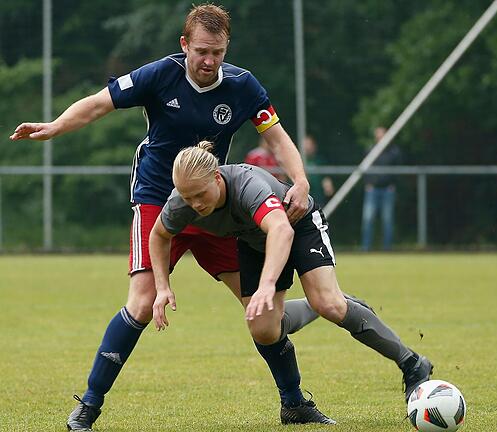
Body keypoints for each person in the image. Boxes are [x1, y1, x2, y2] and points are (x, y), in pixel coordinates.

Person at [9, 5, 327, 429]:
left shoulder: (243, 85)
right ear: (184, 46)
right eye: (201, 52)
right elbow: (98, 105)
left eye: (217, 52)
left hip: (215, 207)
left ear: (226, 47)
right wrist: (55, 126)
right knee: (141, 303)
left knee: (260, 311)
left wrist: (300, 179)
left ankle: (294, 402)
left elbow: (275, 136)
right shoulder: (160, 74)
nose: (209, 61)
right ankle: (88, 405)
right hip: (159, 201)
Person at [150, 143, 434, 415]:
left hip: (299, 227)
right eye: (187, 197)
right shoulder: (182, 202)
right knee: (264, 328)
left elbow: (281, 231)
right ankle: (322, 311)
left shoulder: (247, 186)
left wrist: (267, 284)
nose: (195, 204)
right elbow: (159, 235)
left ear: (216, 177)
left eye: (200, 194)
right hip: (255, 244)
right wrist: (162, 287)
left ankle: (412, 363)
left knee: (329, 305)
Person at [361, 126, 402, 251]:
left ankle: (387, 248)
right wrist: (368, 184)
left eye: (382, 134)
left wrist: (393, 185)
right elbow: (364, 169)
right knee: (368, 219)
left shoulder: (394, 152)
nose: (380, 137)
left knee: (387, 220)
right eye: (378, 135)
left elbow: (398, 170)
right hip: (372, 190)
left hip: (387, 190)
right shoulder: (370, 150)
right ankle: (365, 248)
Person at [303, 135, 334, 207]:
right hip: (305, 198)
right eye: (305, 145)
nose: (307, 147)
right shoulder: (299, 160)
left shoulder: (320, 160)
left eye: (309, 144)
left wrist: (328, 184)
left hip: (318, 197)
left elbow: (326, 178)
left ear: (314, 146)